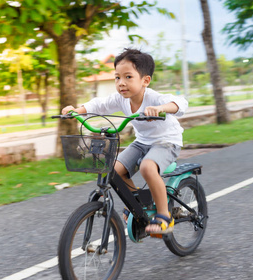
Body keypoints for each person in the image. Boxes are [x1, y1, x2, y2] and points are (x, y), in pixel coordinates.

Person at [61, 48, 188, 234]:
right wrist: (77, 110)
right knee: (113, 171)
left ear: (145, 80)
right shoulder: (121, 99)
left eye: (128, 77)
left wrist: (160, 108)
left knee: (147, 167)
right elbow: (99, 104)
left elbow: (180, 103)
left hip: (166, 142)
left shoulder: (153, 98)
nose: (121, 83)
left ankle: (164, 216)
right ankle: (137, 202)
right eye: (117, 78)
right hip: (142, 142)